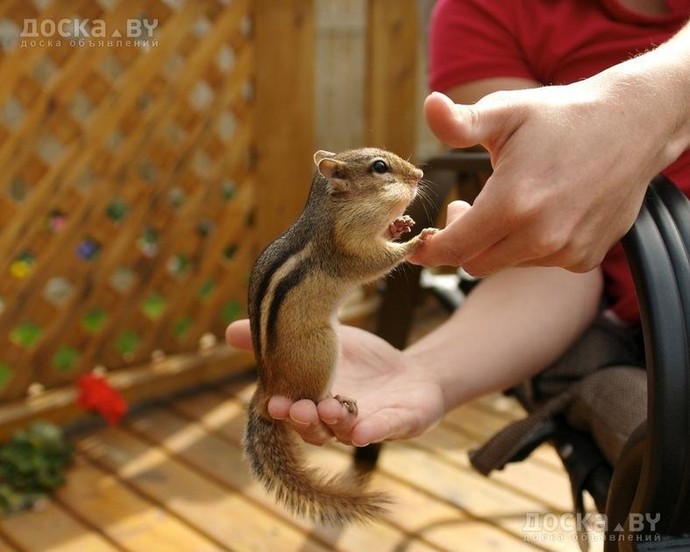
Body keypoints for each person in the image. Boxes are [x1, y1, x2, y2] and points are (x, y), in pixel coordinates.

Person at [227, 0, 690, 449]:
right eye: (383, 173)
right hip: (653, 320)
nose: (413, 177)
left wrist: (649, 104)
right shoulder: (483, 14)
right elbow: (550, 251)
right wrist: (431, 368)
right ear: (340, 185)